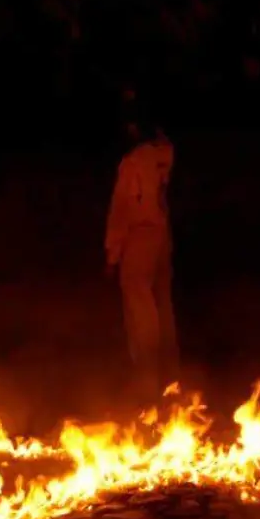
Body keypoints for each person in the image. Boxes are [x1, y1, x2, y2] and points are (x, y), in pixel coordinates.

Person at [104, 108, 177, 396]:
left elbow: (122, 210)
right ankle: (170, 370)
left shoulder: (133, 162)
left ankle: (147, 371)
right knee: (162, 299)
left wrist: (113, 253)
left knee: (138, 298)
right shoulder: (165, 152)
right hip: (162, 231)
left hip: (141, 233)